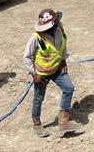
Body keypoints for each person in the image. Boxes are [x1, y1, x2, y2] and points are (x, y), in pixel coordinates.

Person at [23, 9, 82, 138]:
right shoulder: (36, 38)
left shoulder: (59, 30)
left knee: (69, 88)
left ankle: (63, 122)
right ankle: (37, 124)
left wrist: (63, 61)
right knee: (39, 97)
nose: (54, 26)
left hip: (57, 69)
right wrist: (34, 74)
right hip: (41, 73)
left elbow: (62, 45)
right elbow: (26, 57)